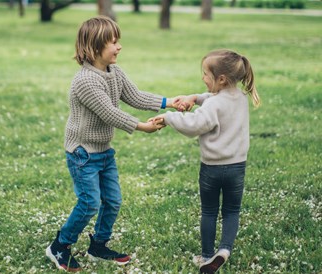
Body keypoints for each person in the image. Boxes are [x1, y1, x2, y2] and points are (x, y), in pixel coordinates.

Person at [45, 16, 178, 272]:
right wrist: (142, 127)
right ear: (95, 47)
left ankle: (98, 246)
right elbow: (110, 113)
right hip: (82, 153)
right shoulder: (84, 81)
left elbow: (136, 96)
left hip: (104, 151)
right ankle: (59, 246)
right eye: (113, 42)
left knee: (113, 200)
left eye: (118, 41)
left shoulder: (114, 72)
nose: (119, 47)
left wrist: (169, 101)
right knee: (89, 203)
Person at [151, 49, 261, 274]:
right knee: (232, 210)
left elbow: (194, 126)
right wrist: (195, 97)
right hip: (237, 167)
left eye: (205, 74)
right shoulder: (240, 97)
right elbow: (215, 99)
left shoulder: (213, 106)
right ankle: (225, 250)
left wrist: (170, 117)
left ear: (220, 79)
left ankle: (207, 255)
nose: (203, 78)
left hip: (212, 169)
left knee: (209, 211)